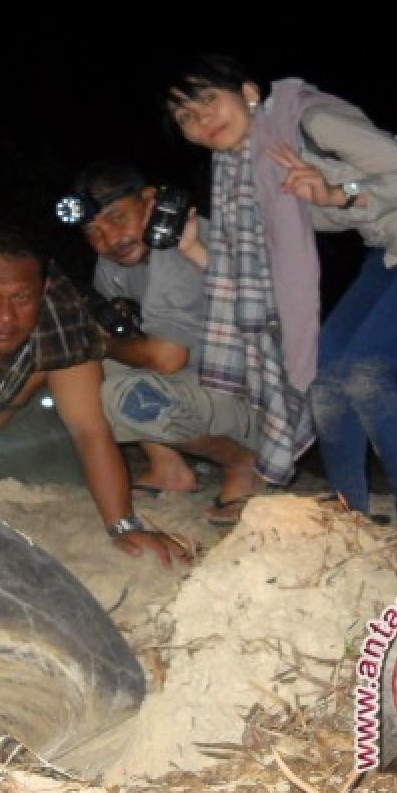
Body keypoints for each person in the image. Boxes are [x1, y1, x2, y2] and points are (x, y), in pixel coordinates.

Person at [164, 55, 397, 547]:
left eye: (206, 99)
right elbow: (248, 272)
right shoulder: (247, 176)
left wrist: (338, 193)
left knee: (365, 369)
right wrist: (192, 248)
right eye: (184, 117)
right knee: (326, 367)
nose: (200, 119)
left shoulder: (312, 119)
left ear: (247, 92)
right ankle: (349, 505)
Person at [0, 224, 192, 567]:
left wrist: (123, 526)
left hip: (14, 432)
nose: (5, 317)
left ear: (44, 290)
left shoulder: (57, 318)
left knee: (67, 480)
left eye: (22, 298)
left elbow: (89, 431)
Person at [68, 161, 264, 525]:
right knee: (82, 370)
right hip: (202, 383)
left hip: (263, 402)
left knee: (125, 394)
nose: (109, 240)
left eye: (117, 217)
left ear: (149, 200)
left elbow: (166, 357)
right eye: (93, 232)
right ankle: (167, 467)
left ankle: (243, 461)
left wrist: (103, 343)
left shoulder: (177, 246)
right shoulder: (112, 261)